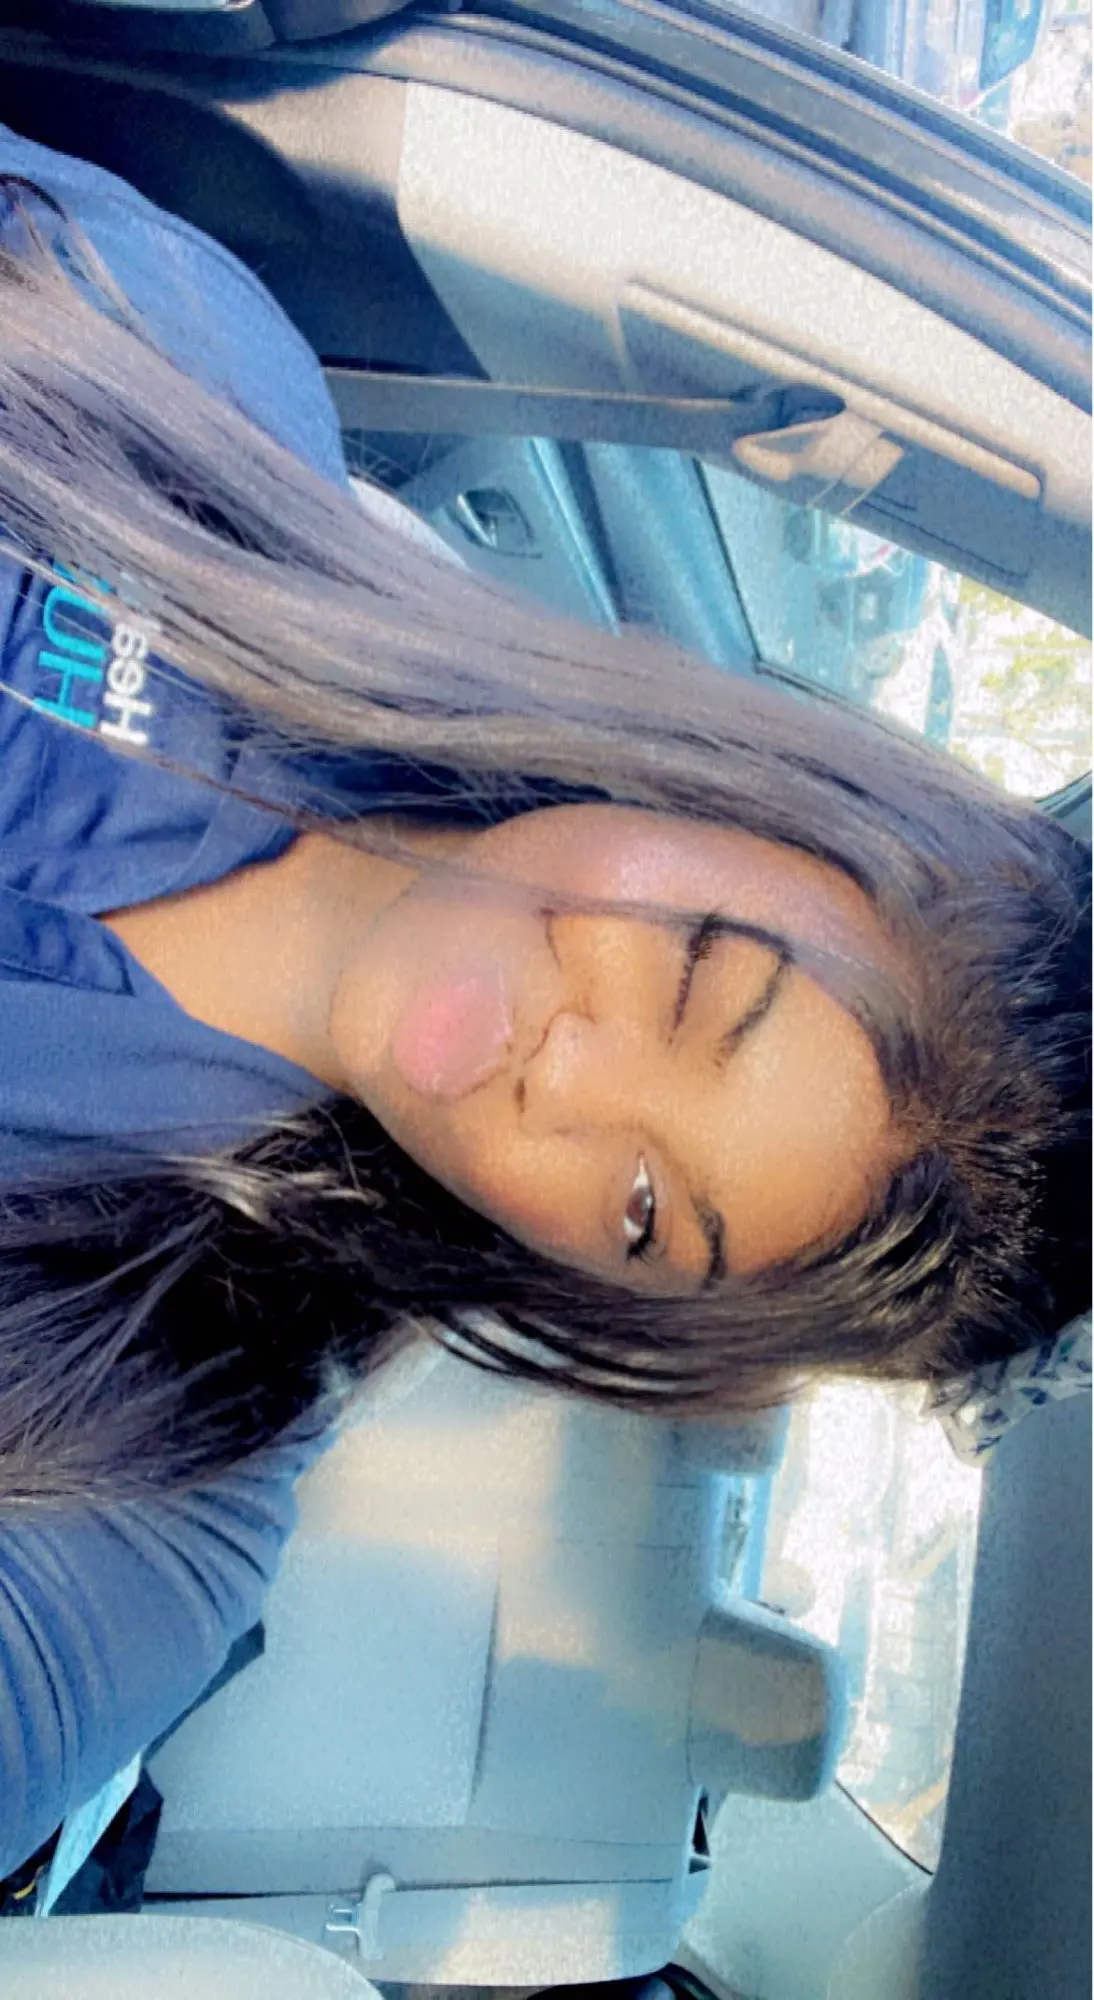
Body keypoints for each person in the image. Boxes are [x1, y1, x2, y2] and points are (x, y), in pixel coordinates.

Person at [0, 123, 1088, 1878]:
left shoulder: (153, 1476)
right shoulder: (183, 377)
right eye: (693, 977)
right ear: (736, 799)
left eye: (646, 1209)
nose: (565, 1089)